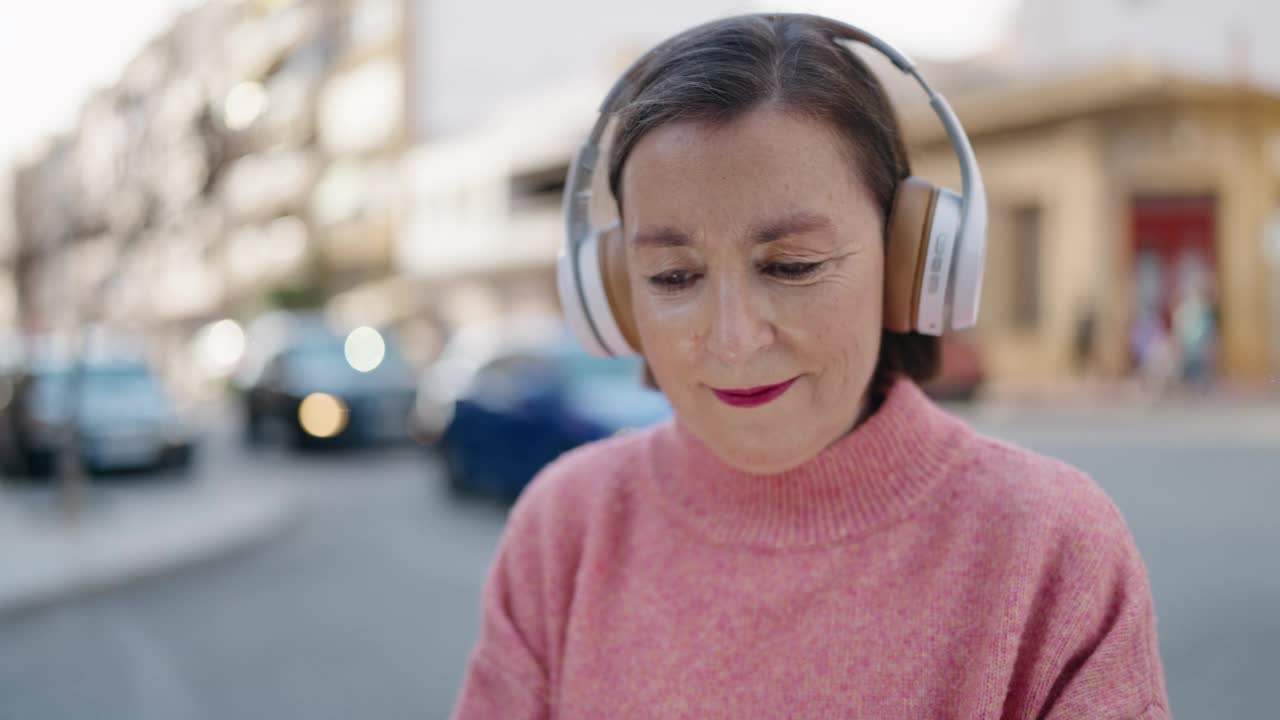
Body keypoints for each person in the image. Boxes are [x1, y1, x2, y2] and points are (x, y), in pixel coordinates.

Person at [452, 13, 1169, 719]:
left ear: (913, 261)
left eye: (792, 266)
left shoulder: (1051, 547)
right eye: (672, 277)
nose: (732, 340)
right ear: (610, 293)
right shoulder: (563, 531)